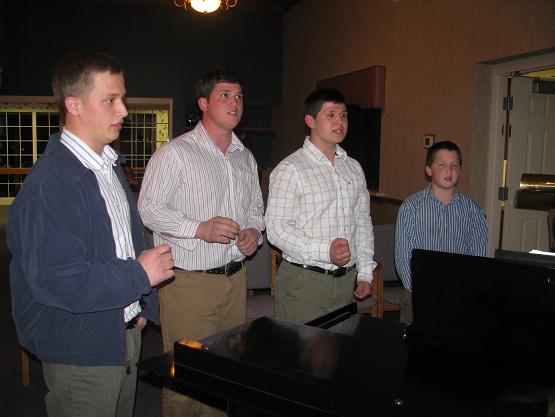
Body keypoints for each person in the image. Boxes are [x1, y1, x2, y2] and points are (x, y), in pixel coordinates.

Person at [7, 53, 175, 417]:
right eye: (110, 100)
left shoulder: (108, 166)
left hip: (121, 332)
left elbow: (125, 242)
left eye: (123, 98)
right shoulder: (50, 184)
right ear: (74, 105)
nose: (124, 111)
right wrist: (139, 276)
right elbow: (57, 279)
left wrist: (140, 308)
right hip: (80, 346)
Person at [138, 67, 265, 417]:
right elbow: (148, 209)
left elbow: (256, 208)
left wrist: (254, 232)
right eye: (225, 95)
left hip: (235, 280)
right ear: (203, 103)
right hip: (190, 283)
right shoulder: (176, 153)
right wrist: (199, 228)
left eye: (239, 96)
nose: (234, 103)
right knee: (187, 376)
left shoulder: (245, 157)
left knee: (225, 373)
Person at [265, 88, 376, 324]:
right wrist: (325, 250)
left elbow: (363, 223)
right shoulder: (290, 168)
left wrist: (365, 272)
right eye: (331, 114)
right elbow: (277, 229)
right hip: (305, 282)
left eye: (344, 115)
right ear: (310, 121)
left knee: (339, 355)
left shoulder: (353, 167)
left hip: (346, 281)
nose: (340, 121)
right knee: (302, 358)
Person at [394, 140, 488, 324]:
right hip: (418, 294)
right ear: (428, 170)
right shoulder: (411, 207)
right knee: (416, 348)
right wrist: (418, 291)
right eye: (442, 164)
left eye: (455, 165)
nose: (449, 170)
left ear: (460, 170)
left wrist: (465, 289)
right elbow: (403, 257)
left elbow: (476, 257)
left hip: (458, 295)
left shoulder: (472, 210)